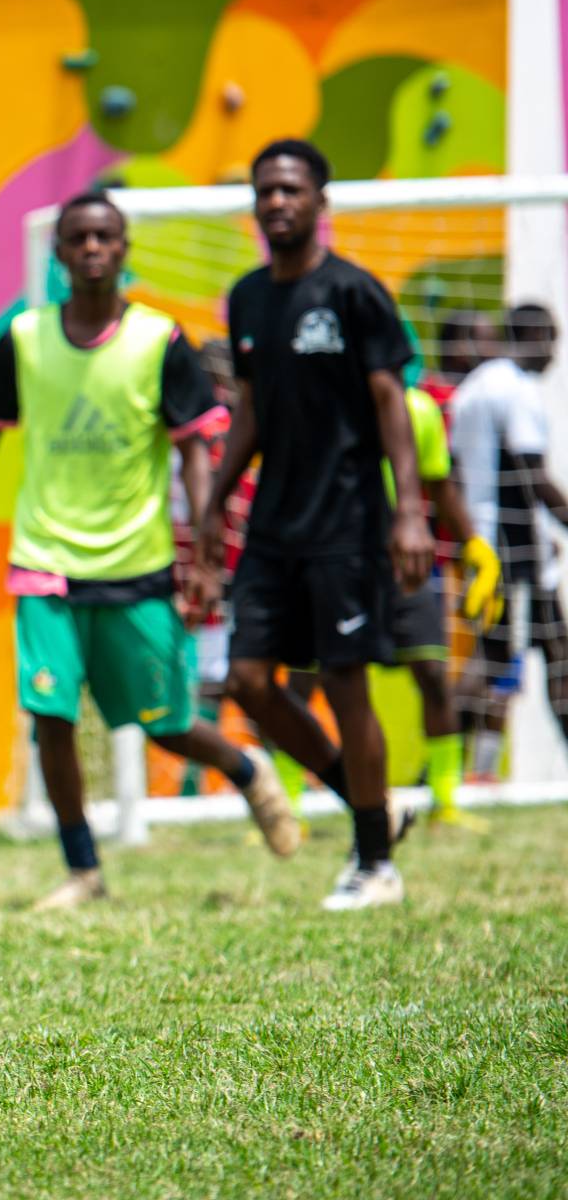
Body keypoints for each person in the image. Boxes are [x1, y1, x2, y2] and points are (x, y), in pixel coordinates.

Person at [0, 193, 296, 908]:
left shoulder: (161, 341)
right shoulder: (25, 338)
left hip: (137, 568)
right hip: (46, 562)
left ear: (124, 248)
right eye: (79, 237)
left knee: (167, 725)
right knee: (51, 716)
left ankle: (246, 769)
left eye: (105, 236)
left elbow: (195, 451)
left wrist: (204, 554)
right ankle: (83, 870)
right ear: (60, 252)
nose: (93, 247)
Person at [195, 138, 434, 911]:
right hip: (273, 524)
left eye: (291, 189)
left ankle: (375, 865)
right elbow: (252, 408)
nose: (277, 201)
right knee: (248, 681)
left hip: (349, 522)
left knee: (343, 682)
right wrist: (215, 502)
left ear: (320, 201)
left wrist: (409, 511)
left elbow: (392, 402)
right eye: (265, 190)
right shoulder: (247, 297)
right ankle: (372, 809)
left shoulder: (355, 292)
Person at [284, 374, 502, 829]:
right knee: (304, 683)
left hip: (404, 568)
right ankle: (289, 808)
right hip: (332, 565)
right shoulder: (323, 402)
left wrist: (475, 548)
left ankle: (445, 801)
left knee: (433, 676)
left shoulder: (420, 410)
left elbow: (439, 486)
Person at [449, 303, 568, 777]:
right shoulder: (515, 389)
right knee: (523, 658)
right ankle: (441, 759)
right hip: (514, 551)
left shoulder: (473, 387)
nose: (554, 354)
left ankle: (458, 766)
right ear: (534, 336)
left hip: (484, 542)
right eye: (552, 341)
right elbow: (530, 475)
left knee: (512, 657)